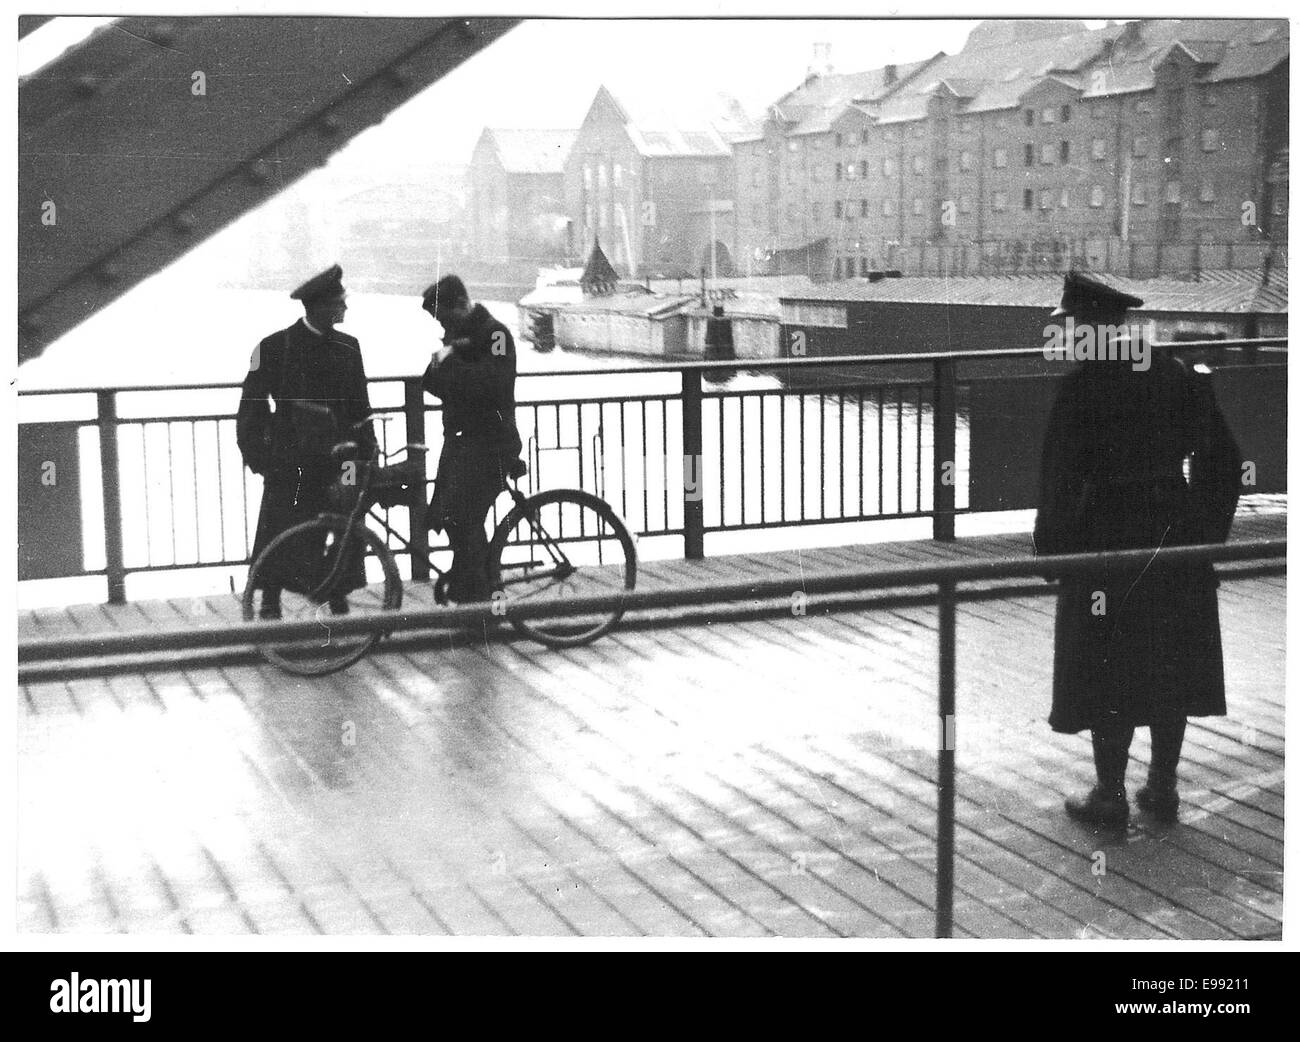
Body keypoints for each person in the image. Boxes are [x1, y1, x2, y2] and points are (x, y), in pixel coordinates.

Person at [1033, 270, 1242, 829]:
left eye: (1071, 326)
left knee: (1107, 664)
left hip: (1105, 536)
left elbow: (1058, 480)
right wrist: (1203, 537)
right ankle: (1163, 786)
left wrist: (1052, 552)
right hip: (1173, 533)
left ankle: (1109, 794)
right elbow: (1223, 462)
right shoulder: (1176, 375)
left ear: (1088, 328)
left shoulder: (1081, 388)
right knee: (1168, 661)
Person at [237, 264, 376, 619]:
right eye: (338, 303)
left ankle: (337, 593)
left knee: (346, 524)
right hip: (291, 462)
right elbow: (250, 409)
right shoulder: (272, 347)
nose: (344, 308)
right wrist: (263, 458)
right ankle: (269, 601)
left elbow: (361, 409)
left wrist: (366, 455)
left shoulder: (350, 347)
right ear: (319, 307)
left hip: (341, 461)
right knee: (279, 528)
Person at [420, 274, 523, 604]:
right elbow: (432, 384)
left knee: (464, 516)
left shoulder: (495, 335)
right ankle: (471, 588)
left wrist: (451, 363)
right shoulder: (460, 333)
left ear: (462, 305)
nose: (441, 324)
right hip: (463, 444)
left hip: (492, 443)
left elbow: (495, 382)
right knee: (450, 516)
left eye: (444, 317)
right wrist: (442, 364)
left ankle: (479, 598)